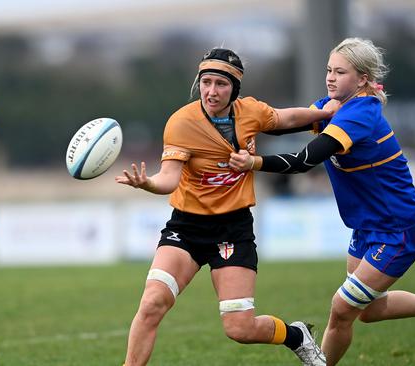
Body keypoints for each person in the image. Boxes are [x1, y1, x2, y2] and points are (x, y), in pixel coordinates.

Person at [228, 37, 415, 365]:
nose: (330, 77)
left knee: (341, 309)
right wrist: (240, 116)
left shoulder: (360, 114)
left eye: (340, 72)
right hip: (366, 227)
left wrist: (255, 163)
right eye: (329, 70)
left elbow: (304, 161)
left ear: (364, 79)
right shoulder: (333, 104)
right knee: (366, 310)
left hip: (399, 228)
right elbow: (285, 122)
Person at [116, 48, 334, 366]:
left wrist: (329, 111)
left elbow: (288, 117)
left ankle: (296, 335)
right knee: (151, 303)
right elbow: (168, 179)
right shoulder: (181, 123)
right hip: (186, 228)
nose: (212, 91)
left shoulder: (251, 112)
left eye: (221, 84)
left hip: (233, 229)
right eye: (206, 82)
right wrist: (147, 183)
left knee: (240, 328)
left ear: (234, 89)